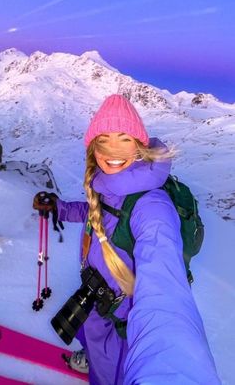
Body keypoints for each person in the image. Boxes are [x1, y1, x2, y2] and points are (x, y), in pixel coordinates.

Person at [33, 94, 221, 385]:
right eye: (103, 140)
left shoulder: (151, 206)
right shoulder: (112, 185)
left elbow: (165, 296)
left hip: (121, 328)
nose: (112, 150)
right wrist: (60, 208)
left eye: (124, 138)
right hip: (99, 304)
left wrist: (170, 371)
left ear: (140, 145)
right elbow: (97, 213)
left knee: (109, 375)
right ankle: (92, 357)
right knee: (94, 341)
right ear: (93, 147)